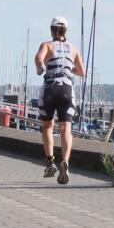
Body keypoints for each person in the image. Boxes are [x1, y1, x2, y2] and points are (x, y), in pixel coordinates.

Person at [34, 16, 85, 184]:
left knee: (48, 126)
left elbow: (39, 58)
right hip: (67, 90)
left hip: (50, 88)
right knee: (66, 129)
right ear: (65, 31)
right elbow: (82, 71)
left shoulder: (47, 45)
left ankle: (50, 162)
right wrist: (69, 68)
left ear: (52, 30)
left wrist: (40, 68)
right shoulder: (74, 48)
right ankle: (66, 161)